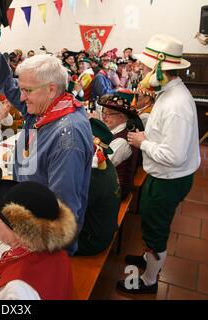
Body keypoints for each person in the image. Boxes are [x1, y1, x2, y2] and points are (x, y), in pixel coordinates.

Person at [0, 21, 92, 255]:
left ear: (51, 89)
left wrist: (22, 237)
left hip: (44, 243)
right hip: (26, 215)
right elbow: (6, 83)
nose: (20, 97)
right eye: (21, 88)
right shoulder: (45, 107)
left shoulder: (68, 137)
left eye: (26, 91)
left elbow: (62, 213)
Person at [118, 34, 201, 294]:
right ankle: (148, 258)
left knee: (156, 230)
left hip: (169, 178)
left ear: (160, 69)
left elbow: (174, 155)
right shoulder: (167, 92)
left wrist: (143, 142)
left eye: (145, 68)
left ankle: (149, 280)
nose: (140, 71)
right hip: (164, 175)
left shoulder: (176, 104)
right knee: (151, 222)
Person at [76, 118, 121, 256]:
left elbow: (70, 211)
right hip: (103, 230)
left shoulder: (93, 177)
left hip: (91, 241)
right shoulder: (104, 165)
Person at [98, 92, 142, 199]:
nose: (103, 117)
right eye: (103, 113)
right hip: (108, 184)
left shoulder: (122, 142)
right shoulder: (115, 132)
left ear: (122, 116)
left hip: (115, 191)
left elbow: (100, 166)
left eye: (108, 114)